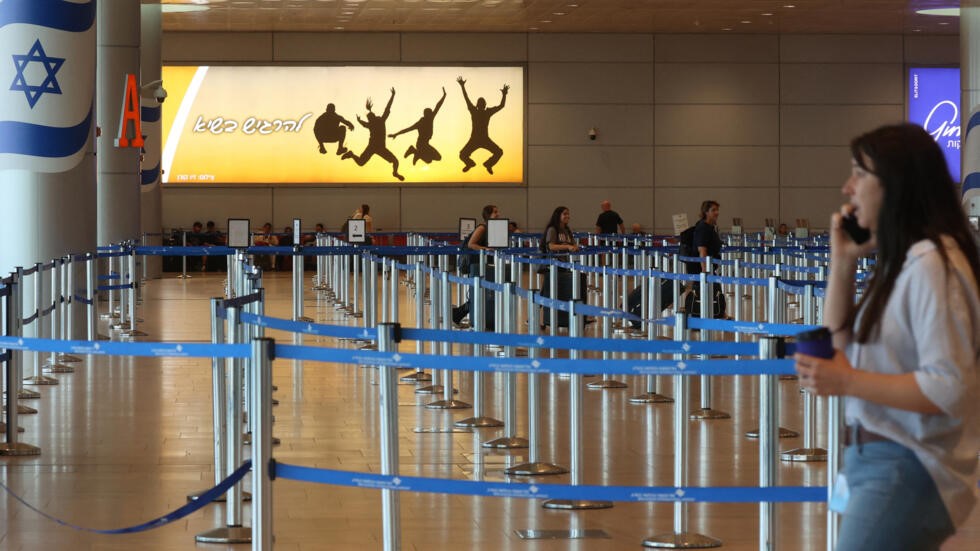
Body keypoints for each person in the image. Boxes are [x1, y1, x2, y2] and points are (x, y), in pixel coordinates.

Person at [794, 123, 979, 551]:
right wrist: (842, 262)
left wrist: (847, 381)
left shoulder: (934, 265)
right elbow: (840, 349)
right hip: (874, 462)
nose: (848, 187)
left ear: (896, 184)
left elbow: (949, 386)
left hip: (906, 466)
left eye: (860, 173)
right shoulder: (903, 264)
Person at [341, 89, 405, 181]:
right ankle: (351, 155)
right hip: (376, 147)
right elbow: (387, 108)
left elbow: (387, 108)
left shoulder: (374, 123)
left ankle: (395, 173)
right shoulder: (378, 121)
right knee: (394, 161)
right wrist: (393, 95)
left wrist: (359, 120)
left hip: (376, 147)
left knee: (361, 163)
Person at [539, 206, 588, 326]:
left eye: (568, 214)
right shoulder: (552, 229)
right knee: (545, 292)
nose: (568, 216)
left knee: (550, 292)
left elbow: (572, 244)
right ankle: (533, 317)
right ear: (558, 215)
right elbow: (551, 246)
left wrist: (574, 246)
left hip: (563, 264)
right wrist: (567, 246)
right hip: (551, 265)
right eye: (565, 214)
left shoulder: (567, 230)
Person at [452, 204, 499, 326]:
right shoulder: (482, 228)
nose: (498, 214)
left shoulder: (490, 229)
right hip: (476, 265)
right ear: (488, 215)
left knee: (479, 292)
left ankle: (457, 314)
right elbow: (471, 244)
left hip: (482, 264)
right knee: (477, 293)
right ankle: (456, 314)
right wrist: (486, 249)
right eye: (495, 212)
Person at [457, 76, 508, 175]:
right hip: (474, 139)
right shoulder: (474, 111)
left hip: (484, 139)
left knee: (499, 152)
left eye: (482, 103)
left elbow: (501, 106)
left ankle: (488, 164)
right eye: (480, 103)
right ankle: (470, 164)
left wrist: (504, 94)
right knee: (462, 155)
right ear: (478, 105)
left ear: (484, 105)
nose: (481, 105)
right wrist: (462, 86)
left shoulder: (486, 112)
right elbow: (466, 98)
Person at [388, 87, 446, 165]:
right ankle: (414, 151)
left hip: (425, 144)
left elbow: (437, 106)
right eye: (429, 113)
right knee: (430, 160)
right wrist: (396, 134)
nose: (431, 114)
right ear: (426, 114)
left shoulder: (430, 118)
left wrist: (444, 96)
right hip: (421, 144)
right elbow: (407, 129)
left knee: (435, 159)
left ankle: (416, 153)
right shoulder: (421, 123)